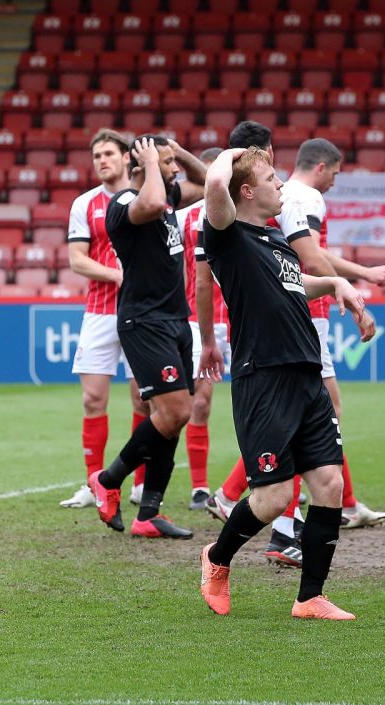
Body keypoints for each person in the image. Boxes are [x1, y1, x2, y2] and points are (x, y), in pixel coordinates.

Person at [197, 147, 374, 620]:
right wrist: (238, 151)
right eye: (271, 178)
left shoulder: (275, 238)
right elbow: (215, 183)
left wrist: (336, 284)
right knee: (273, 498)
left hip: (306, 374)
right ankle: (217, 558)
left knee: (329, 484)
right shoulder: (226, 235)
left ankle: (309, 597)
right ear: (246, 191)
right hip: (264, 378)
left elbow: (295, 284)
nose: (280, 185)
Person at [87, 134, 205, 539]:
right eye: (167, 163)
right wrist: (153, 162)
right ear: (142, 165)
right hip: (144, 321)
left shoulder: (166, 190)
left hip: (175, 319)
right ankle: (107, 479)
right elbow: (151, 204)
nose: (174, 170)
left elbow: (206, 182)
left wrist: (176, 151)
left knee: (176, 417)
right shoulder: (122, 204)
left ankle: (149, 513)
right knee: (173, 412)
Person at [60, 129, 150, 509]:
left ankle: (140, 484)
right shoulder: (84, 204)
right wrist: (117, 275)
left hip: (141, 312)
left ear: (127, 157)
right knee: (93, 398)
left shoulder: (145, 199)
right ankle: (93, 483)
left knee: (143, 400)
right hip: (100, 312)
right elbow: (77, 260)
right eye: (97, 155)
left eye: (109, 153)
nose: (102, 160)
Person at [176, 147, 229, 511]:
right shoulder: (184, 217)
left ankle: (276, 475)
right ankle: (199, 486)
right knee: (200, 400)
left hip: (243, 318)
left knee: (262, 401)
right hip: (199, 320)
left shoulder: (242, 212)